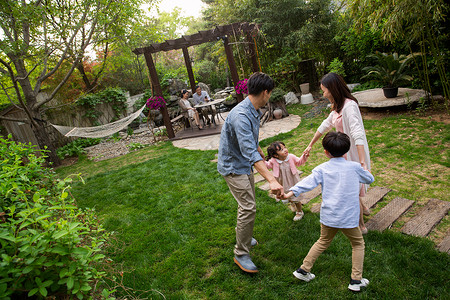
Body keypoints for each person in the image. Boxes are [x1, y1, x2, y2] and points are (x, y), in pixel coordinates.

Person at [280, 131, 374, 292]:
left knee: (322, 241)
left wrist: (289, 193)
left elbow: (306, 183)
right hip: (348, 218)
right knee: (358, 244)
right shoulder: (354, 167)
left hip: (329, 217)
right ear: (346, 151)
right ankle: (356, 280)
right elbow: (369, 179)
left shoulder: (321, 169)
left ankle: (303, 270)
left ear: (325, 152)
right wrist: (364, 168)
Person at [217, 72, 283, 273]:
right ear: (265, 92)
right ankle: (241, 253)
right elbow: (248, 152)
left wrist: (260, 149)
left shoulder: (252, 109)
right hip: (233, 166)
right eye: (270, 93)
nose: (269, 96)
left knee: (248, 203)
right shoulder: (241, 115)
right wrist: (271, 179)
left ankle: (244, 236)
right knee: (248, 207)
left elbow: (249, 142)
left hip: (243, 162)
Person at [303, 73, 371, 234]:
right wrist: (310, 145)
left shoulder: (349, 106)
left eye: (325, 91)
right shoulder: (337, 106)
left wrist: (361, 162)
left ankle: (361, 226)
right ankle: (365, 208)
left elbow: (358, 133)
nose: (324, 94)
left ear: (333, 89)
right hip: (342, 153)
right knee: (353, 188)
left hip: (353, 152)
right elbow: (325, 125)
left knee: (352, 190)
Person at [265, 141, 309, 221]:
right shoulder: (273, 161)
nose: (285, 150)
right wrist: (260, 159)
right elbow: (267, 166)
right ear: (275, 155)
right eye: (281, 149)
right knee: (285, 194)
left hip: (293, 180)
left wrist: (304, 156)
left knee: (296, 196)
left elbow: (299, 162)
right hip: (282, 182)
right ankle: (291, 202)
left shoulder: (291, 157)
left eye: (284, 147)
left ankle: (299, 211)